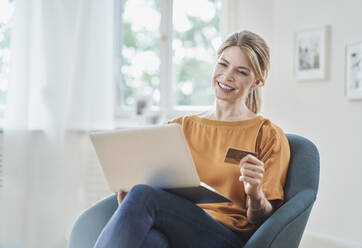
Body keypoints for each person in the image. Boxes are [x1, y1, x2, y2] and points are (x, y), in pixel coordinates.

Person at [93, 30, 290, 248]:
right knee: (151, 242)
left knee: (143, 196)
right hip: (174, 228)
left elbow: (265, 220)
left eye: (241, 72)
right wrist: (129, 204)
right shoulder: (180, 127)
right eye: (223, 64)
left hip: (225, 237)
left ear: (257, 81)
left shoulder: (268, 135)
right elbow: (156, 188)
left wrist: (255, 194)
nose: (227, 76)